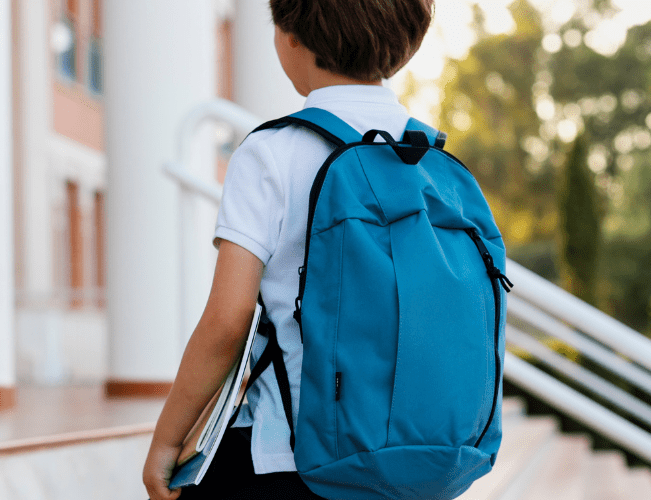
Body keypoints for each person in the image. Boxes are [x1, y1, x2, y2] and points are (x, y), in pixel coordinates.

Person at [143, 1, 434, 498]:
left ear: (292, 35)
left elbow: (227, 320)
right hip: (414, 453)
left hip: (294, 453)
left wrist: (165, 441)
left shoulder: (271, 153)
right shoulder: (427, 157)